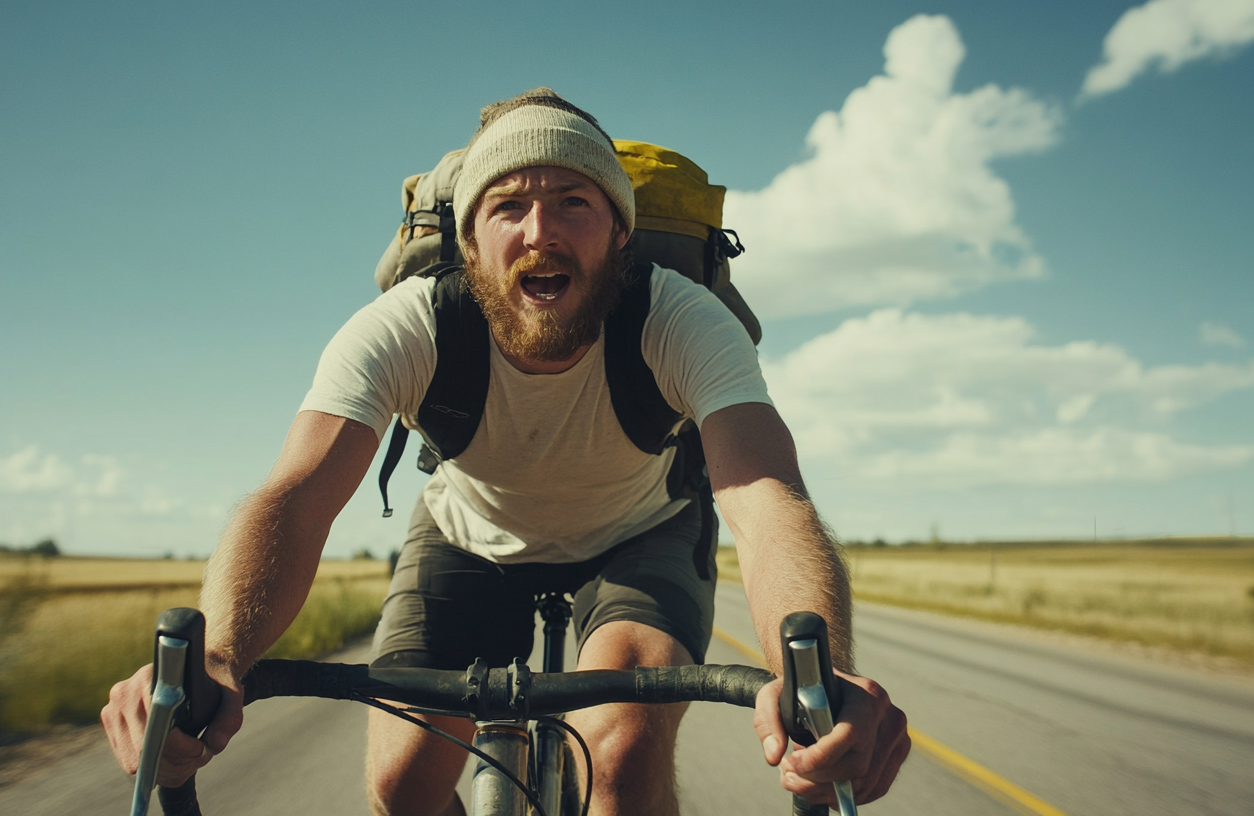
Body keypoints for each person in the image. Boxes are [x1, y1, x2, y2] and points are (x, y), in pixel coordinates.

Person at [102, 89, 910, 816]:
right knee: (400, 783)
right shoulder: (406, 327)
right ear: (468, 241)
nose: (540, 231)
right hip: (467, 538)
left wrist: (821, 677)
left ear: (620, 235)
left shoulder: (685, 320)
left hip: (641, 537)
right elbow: (297, 494)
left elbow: (768, 500)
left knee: (623, 757)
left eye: (573, 202)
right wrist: (216, 654)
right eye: (508, 205)